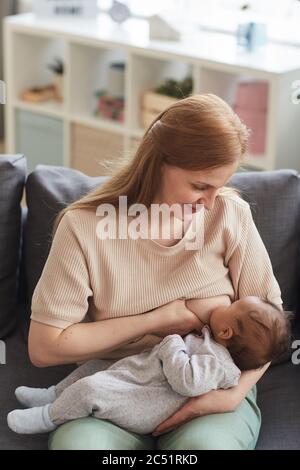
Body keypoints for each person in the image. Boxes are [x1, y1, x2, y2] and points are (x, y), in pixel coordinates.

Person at [27, 94, 284, 450]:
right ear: (158, 164)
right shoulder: (84, 228)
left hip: (208, 392)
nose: (209, 203)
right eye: (200, 186)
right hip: (114, 388)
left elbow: (271, 325)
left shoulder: (229, 215)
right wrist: (156, 320)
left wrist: (231, 397)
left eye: (218, 187)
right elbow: (45, 347)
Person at [8, 296, 291, 435]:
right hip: (139, 373)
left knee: (93, 388)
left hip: (143, 403)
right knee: (95, 367)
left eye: (232, 306)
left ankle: (48, 417)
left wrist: (172, 342)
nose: (226, 303)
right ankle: (54, 394)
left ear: (227, 332)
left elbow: (186, 381)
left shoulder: (220, 366)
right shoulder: (213, 340)